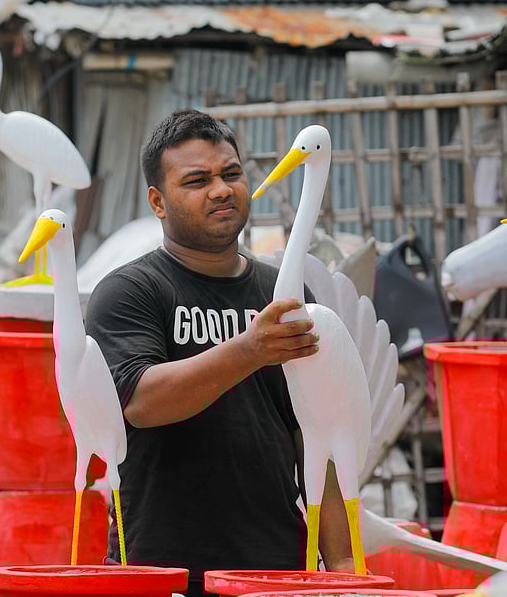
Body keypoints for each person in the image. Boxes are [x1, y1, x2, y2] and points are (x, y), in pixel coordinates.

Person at [85, 109, 356, 596]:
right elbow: (142, 404)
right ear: (158, 201)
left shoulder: (285, 295)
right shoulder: (130, 291)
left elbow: (315, 435)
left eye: (231, 174)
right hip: (160, 571)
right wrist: (249, 350)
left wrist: (342, 563)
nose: (221, 189)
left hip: (276, 570)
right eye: (197, 180)